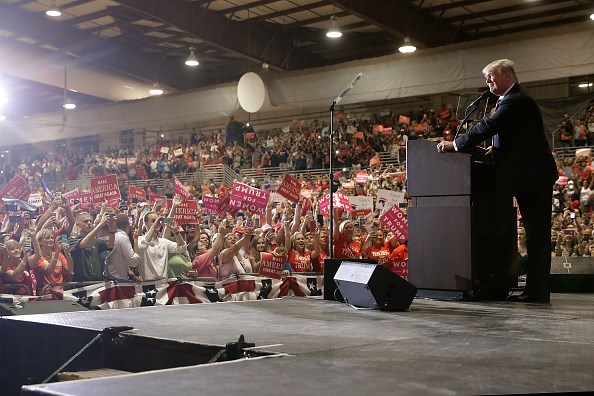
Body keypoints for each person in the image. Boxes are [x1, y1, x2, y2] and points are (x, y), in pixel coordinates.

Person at [437, 59, 557, 303]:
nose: (487, 81)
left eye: (490, 76)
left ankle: (537, 292)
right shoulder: (511, 99)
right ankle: (534, 290)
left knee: (537, 236)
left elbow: (489, 125)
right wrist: (497, 150)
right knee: (535, 236)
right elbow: (517, 134)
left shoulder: (517, 99)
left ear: (507, 77)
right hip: (527, 177)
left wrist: (456, 144)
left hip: (533, 178)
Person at [104, 213, 141, 281]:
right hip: (119, 279)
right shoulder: (122, 237)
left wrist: (128, 270)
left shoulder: (112, 236)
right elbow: (134, 262)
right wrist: (135, 240)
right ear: (128, 225)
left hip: (110, 277)